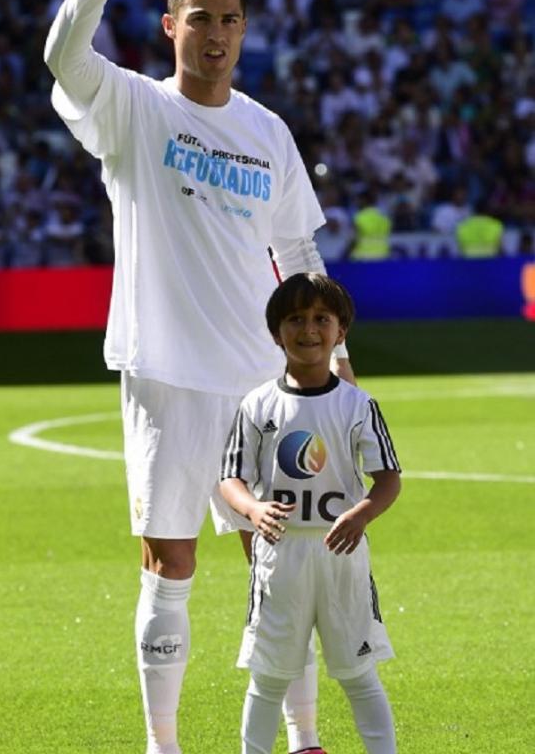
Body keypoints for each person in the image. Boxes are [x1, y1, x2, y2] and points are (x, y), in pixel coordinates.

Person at [44, 0, 353, 754]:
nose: (215, 34)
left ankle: (304, 737)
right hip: (166, 375)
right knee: (169, 562)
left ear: (243, 30)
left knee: (284, 567)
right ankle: (164, 743)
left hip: (262, 384)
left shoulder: (266, 130)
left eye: (229, 20)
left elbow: (296, 248)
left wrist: (336, 355)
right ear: (171, 27)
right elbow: (64, 58)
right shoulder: (134, 107)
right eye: (201, 18)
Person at [220, 272, 401, 754]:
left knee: (360, 675)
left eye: (322, 318)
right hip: (281, 557)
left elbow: (388, 480)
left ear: (341, 332)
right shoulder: (257, 404)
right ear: (276, 332)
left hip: (342, 555)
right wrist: (253, 508)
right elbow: (230, 478)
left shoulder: (358, 404)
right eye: (295, 319)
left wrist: (361, 515)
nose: (309, 330)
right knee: (268, 679)